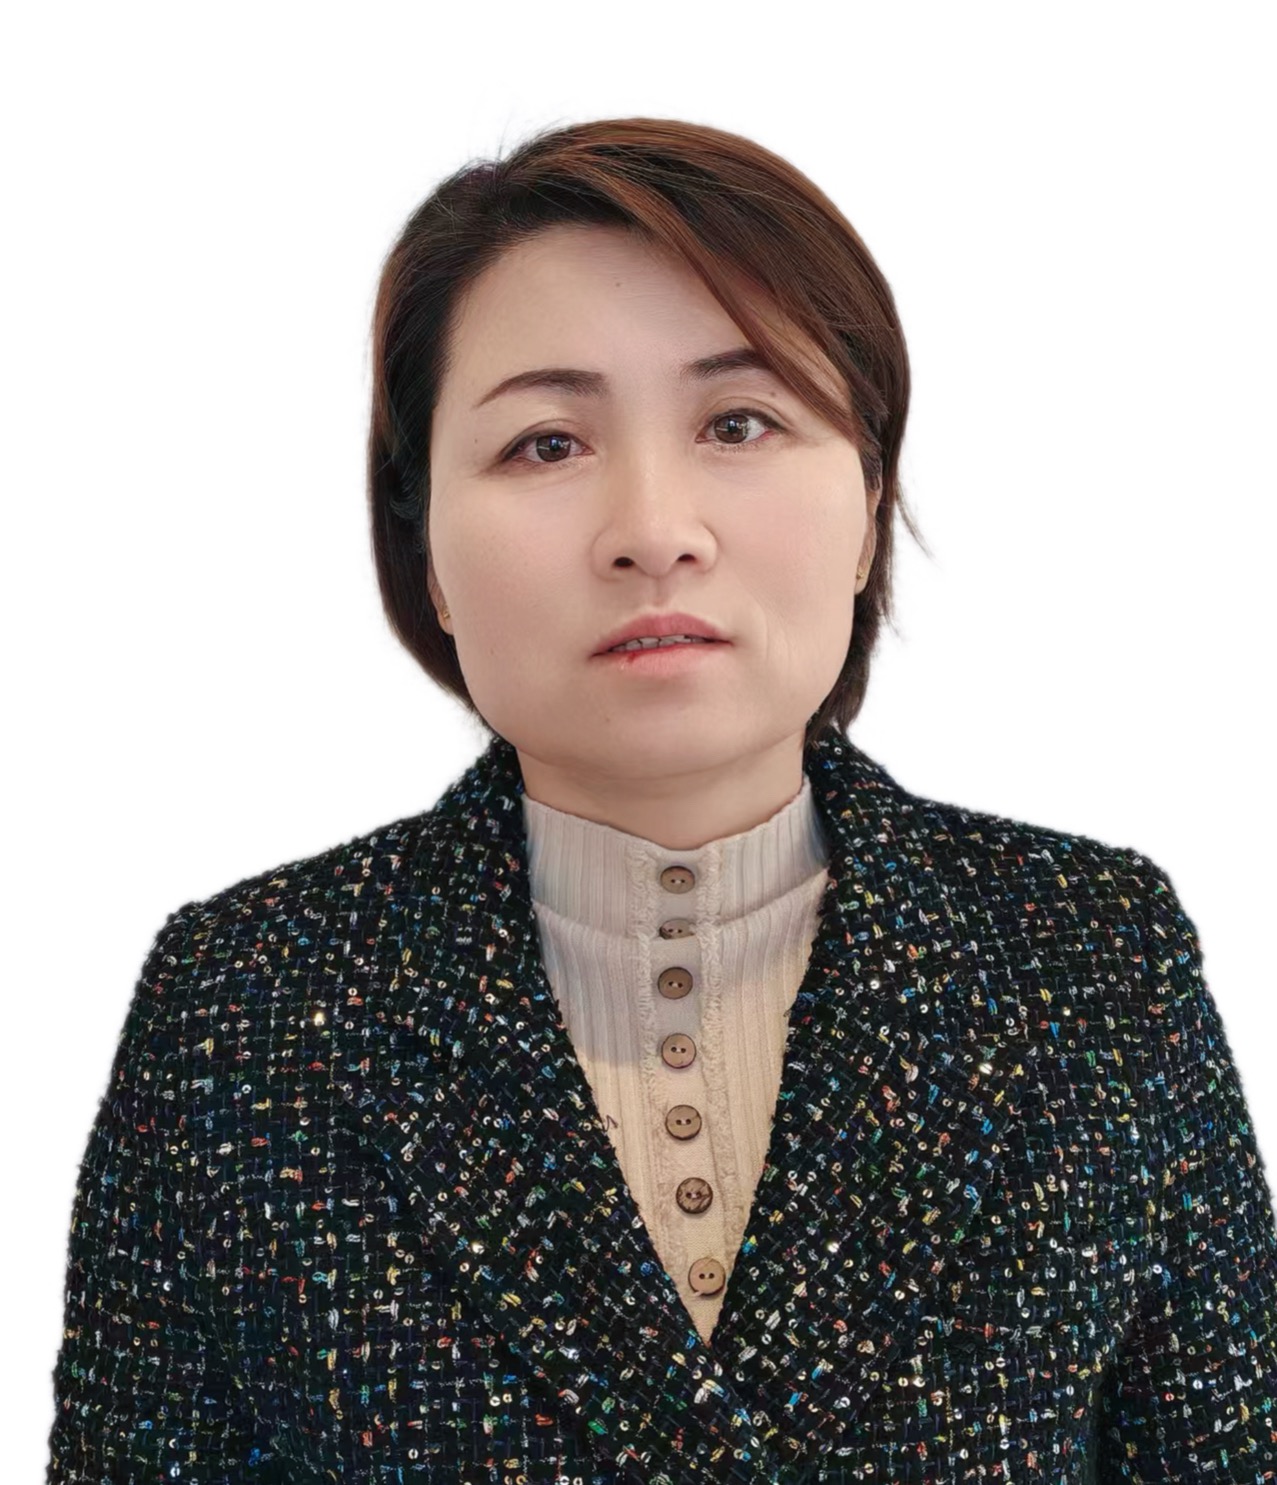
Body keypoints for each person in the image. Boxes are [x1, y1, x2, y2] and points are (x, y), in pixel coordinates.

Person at [46, 115, 1277, 1484]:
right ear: (425, 550)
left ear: (869, 502)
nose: (652, 529)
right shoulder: (245, 1007)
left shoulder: (1089, 956)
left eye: (738, 422)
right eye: (545, 444)